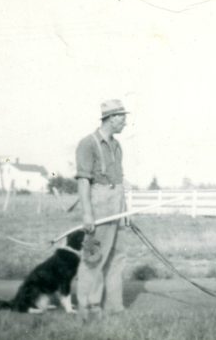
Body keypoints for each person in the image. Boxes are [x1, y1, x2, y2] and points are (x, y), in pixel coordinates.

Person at [75, 99, 129, 320]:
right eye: (122, 118)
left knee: (118, 257)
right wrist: (88, 214)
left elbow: (118, 181)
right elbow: (83, 182)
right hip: (99, 207)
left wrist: (126, 212)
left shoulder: (117, 145)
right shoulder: (87, 144)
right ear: (111, 118)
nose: (125, 122)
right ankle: (88, 307)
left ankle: (114, 307)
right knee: (94, 257)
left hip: (118, 206)